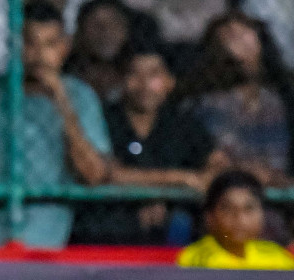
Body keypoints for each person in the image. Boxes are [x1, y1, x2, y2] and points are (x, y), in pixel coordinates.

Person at [0, 2, 111, 248]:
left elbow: (94, 175)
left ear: (65, 47)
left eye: (50, 44)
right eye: (29, 43)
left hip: (46, 243)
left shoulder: (80, 96)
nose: (38, 54)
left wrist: (61, 99)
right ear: (12, 44)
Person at [79, 45, 223, 246]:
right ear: (121, 80)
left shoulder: (183, 123)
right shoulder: (104, 118)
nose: (144, 84)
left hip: (174, 228)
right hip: (111, 228)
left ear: (169, 82)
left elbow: (217, 165)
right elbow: (108, 173)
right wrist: (177, 181)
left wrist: (170, 195)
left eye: (154, 75)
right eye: (134, 74)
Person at [188, 12, 292, 187]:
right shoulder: (206, 104)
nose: (239, 43)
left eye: (244, 34)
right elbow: (219, 163)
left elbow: (278, 162)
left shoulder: (277, 101)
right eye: (230, 36)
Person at [178, 170, 294, 269]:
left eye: (249, 208)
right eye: (228, 209)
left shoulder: (277, 257)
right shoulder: (196, 261)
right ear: (210, 217)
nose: (240, 218)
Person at [65, 0, 133, 102]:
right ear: (81, 32)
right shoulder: (66, 77)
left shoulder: (136, 77)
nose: (106, 31)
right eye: (95, 24)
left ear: (126, 30)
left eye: (114, 23)